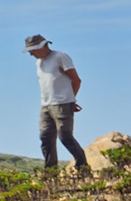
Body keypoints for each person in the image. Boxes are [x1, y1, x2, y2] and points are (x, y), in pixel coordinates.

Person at [24, 34, 87, 175]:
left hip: (62, 104)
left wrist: (70, 100)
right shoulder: (38, 63)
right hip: (45, 105)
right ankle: (51, 173)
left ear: (42, 46)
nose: (31, 54)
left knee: (65, 137)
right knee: (45, 138)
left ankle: (83, 168)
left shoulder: (60, 56)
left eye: (32, 50)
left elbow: (76, 80)